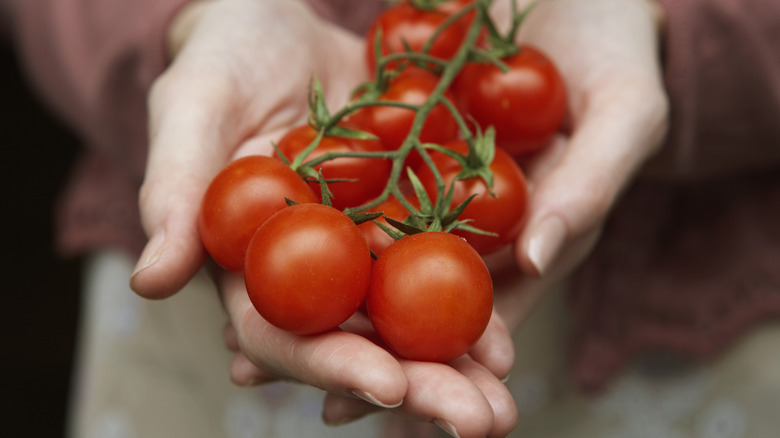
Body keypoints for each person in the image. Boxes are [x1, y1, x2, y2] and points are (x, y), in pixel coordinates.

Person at [3, 0, 779, 437]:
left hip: (687, 342)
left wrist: (665, 23)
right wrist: (189, 20)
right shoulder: (375, 172)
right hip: (196, 367)